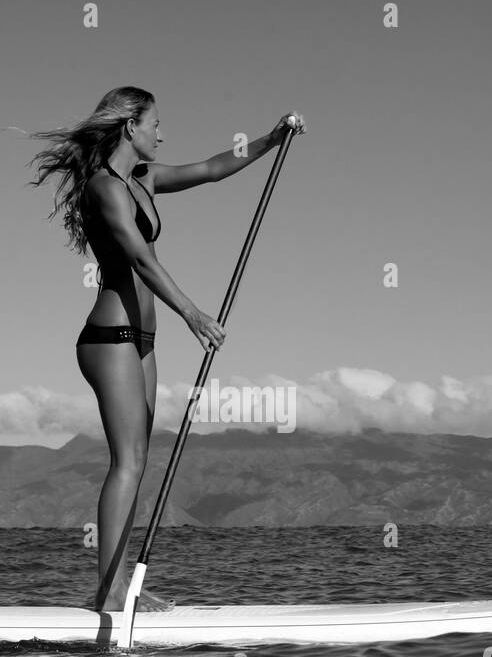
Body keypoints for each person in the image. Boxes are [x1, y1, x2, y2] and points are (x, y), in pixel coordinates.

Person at [28, 87, 305, 612]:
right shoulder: (104, 189)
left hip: (144, 343)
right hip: (110, 340)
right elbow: (140, 261)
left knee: (138, 462)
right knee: (126, 463)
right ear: (130, 126)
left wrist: (273, 137)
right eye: (156, 123)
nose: (162, 133)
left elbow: (213, 168)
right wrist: (195, 314)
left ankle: (118, 586)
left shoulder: (143, 180)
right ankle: (108, 595)